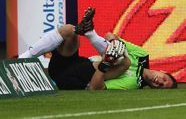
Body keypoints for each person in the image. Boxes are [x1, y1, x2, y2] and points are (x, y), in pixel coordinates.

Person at [18, 8, 177, 90]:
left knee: (125, 61)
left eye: (161, 86)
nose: (159, 82)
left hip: (73, 79)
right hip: (73, 64)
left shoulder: (134, 83)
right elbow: (109, 35)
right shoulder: (142, 55)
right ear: (162, 71)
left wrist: (106, 64)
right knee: (69, 30)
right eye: (164, 79)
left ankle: (90, 33)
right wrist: (115, 43)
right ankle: (21, 60)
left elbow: (95, 88)